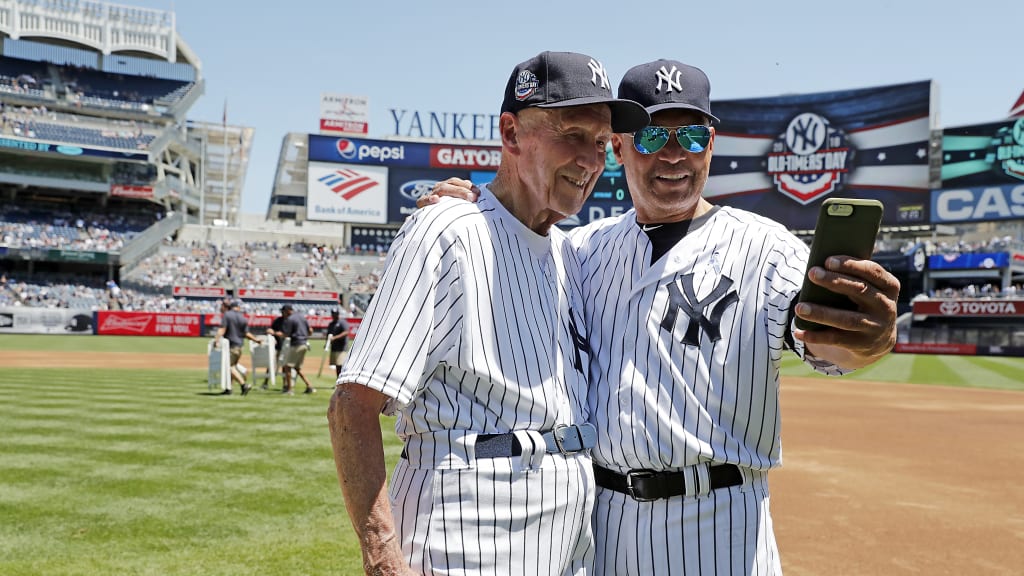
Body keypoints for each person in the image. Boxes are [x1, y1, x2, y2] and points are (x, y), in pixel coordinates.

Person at [422, 59, 900, 575]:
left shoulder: (766, 248)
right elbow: (514, 229)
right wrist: (473, 204)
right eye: (652, 137)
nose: (674, 155)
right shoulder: (580, 252)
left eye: (692, 136)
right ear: (619, 148)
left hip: (720, 525)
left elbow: (827, 343)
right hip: (601, 527)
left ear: (711, 145)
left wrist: (867, 339)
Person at [327, 51, 650, 576]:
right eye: (572, 134)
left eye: (600, 143)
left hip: (570, 536)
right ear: (511, 132)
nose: (591, 161)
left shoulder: (571, 253)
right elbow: (351, 406)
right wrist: (383, 558)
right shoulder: (446, 231)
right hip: (471, 528)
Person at [214, 298, 263, 396]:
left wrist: (217, 339)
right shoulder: (243, 318)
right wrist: (256, 340)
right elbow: (247, 334)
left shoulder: (227, 315)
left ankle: (243, 384)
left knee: (228, 366)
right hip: (240, 346)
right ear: (238, 308)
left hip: (231, 345)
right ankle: (229, 389)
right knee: (232, 366)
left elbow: (223, 329)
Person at [273, 304, 313, 395]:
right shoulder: (302, 317)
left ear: (287, 311)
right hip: (304, 344)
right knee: (297, 368)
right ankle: (309, 385)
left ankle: (289, 389)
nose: (283, 314)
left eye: (283, 312)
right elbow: (310, 330)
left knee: (287, 367)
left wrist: (275, 333)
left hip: (296, 344)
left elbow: (285, 334)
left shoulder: (290, 319)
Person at [264, 310, 287, 390]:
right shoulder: (278, 320)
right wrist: (270, 331)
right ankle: (265, 382)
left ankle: (285, 384)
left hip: (286, 346)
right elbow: (271, 329)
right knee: (271, 364)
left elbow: (285, 334)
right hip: (277, 346)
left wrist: (275, 333)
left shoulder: (290, 321)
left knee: (285, 366)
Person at [324, 308, 350, 379]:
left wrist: (335, 338)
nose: (335, 315)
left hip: (341, 348)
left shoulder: (342, 322)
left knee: (340, 365)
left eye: (336, 314)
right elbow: (328, 335)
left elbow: (346, 332)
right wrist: (326, 343)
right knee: (337, 366)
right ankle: (338, 381)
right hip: (334, 348)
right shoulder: (331, 324)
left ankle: (342, 381)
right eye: (333, 314)